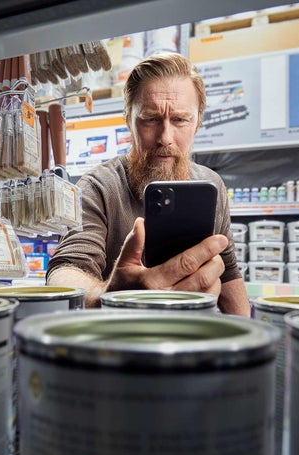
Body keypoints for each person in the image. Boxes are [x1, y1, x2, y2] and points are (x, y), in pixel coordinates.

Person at [46, 52, 250, 316]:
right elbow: (65, 270)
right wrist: (110, 296)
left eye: (180, 119)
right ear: (128, 120)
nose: (165, 137)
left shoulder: (211, 185)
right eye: (151, 119)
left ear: (198, 122)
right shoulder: (98, 186)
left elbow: (229, 272)